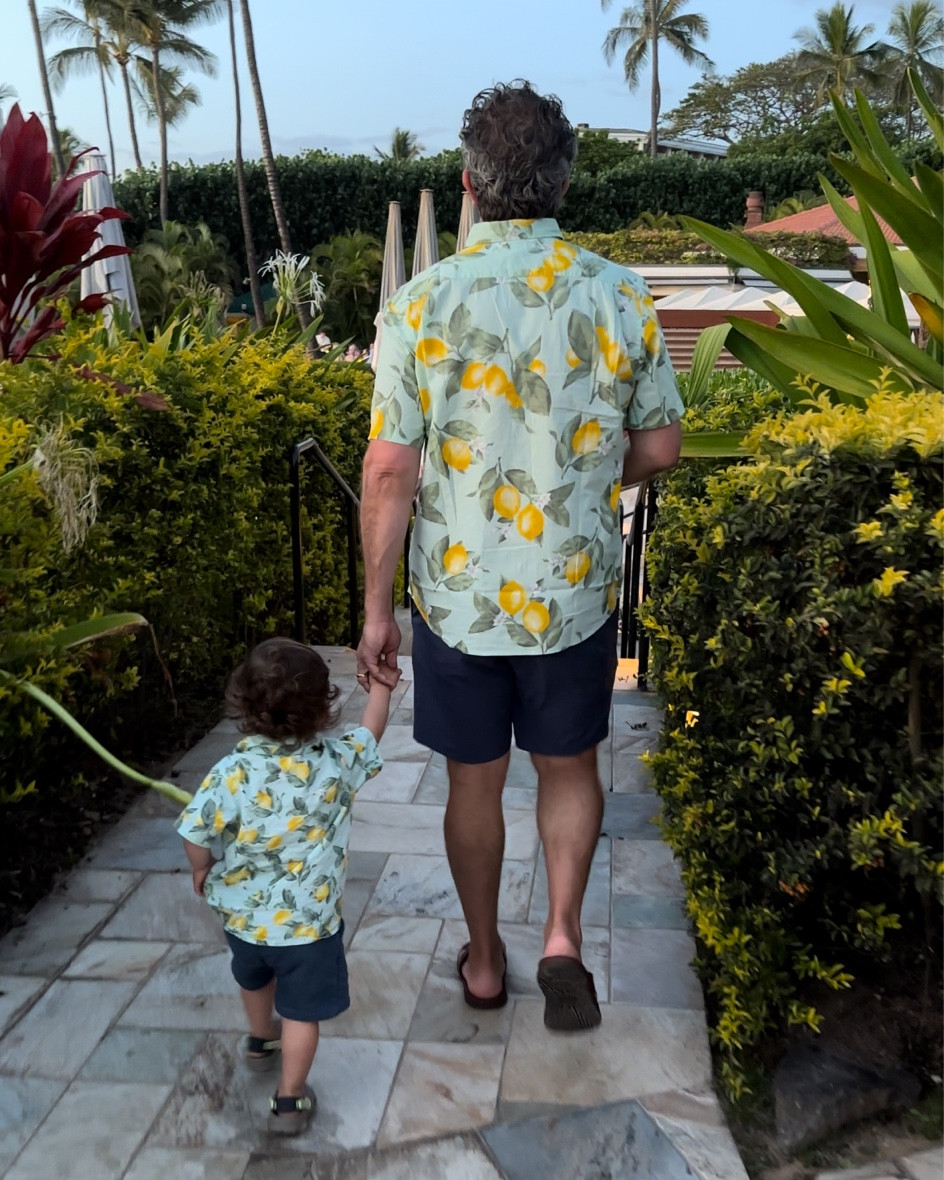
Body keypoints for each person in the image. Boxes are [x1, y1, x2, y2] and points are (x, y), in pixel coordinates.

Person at [357, 80, 684, 1033]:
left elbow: (388, 472)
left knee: (474, 784)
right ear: (565, 184)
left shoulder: (419, 304)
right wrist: (588, 474)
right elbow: (660, 447)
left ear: (468, 182)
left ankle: (488, 961)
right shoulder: (622, 294)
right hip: (573, 593)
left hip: (459, 603)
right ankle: (561, 939)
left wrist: (380, 611)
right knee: (571, 767)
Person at [175, 638, 391, 1133]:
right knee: (301, 1012)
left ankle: (258, 1038)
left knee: (252, 976)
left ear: (245, 707)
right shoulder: (337, 763)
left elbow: (194, 832)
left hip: (244, 919)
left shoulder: (231, 772)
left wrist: (201, 868)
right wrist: (379, 686)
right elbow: (372, 734)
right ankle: (290, 1099)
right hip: (308, 928)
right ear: (323, 709)